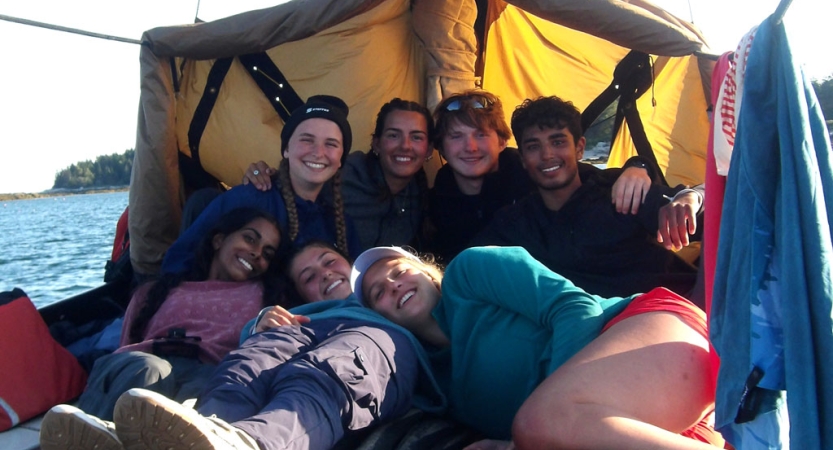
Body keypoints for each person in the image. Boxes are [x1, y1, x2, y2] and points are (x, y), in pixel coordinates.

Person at [351, 245, 723, 449]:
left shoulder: (469, 273)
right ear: (380, 318)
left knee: (539, 422)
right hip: (624, 425)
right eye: (378, 293)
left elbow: (575, 308)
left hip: (645, 334)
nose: (393, 285)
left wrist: (525, 435)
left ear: (428, 273)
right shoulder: (436, 384)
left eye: (399, 271)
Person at [40, 293, 446, 450]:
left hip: (367, 343)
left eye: (330, 265)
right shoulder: (298, 311)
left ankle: (250, 444)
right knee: (244, 369)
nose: (322, 278)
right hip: (300, 327)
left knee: (326, 373)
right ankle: (208, 432)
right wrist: (260, 323)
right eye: (309, 277)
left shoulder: (390, 326)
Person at [54, 208, 283, 429]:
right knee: (147, 373)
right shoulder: (157, 291)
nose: (257, 253)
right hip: (145, 362)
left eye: (268, 254)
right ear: (219, 240)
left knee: (212, 394)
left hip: (205, 372)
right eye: (250, 239)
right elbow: (127, 345)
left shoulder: (264, 297)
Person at [472, 95, 705, 299]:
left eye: (558, 142)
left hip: (670, 313)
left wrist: (694, 196)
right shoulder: (517, 223)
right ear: (522, 158)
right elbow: (467, 267)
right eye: (533, 147)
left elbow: (724, 220)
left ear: (580, 148)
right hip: (591, 328)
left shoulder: (619, 194)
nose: (547, 155)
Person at [426, 90, 655, 263]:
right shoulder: (438, 197)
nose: (471, 147)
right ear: (442, 149)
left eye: (481, 134)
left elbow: (587, 178)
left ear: (502, 142)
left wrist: (639, 165)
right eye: (456, 136)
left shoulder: (529, 169)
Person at [162, 95, 361, 275]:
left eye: (331, 144)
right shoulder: (250, 198)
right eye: (307, 140)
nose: (318, 152)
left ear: (341, 159)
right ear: (286, 150)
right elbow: (178, 261)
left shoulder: (341, 224)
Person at [245, 98, 435, 251]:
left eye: (416, 137)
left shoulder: (422, 194)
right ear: (376, 144)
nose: (405, 146)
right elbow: (301, 177)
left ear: (429, 150)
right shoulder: (345, 173)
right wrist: (261, 174)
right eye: (393, 135)